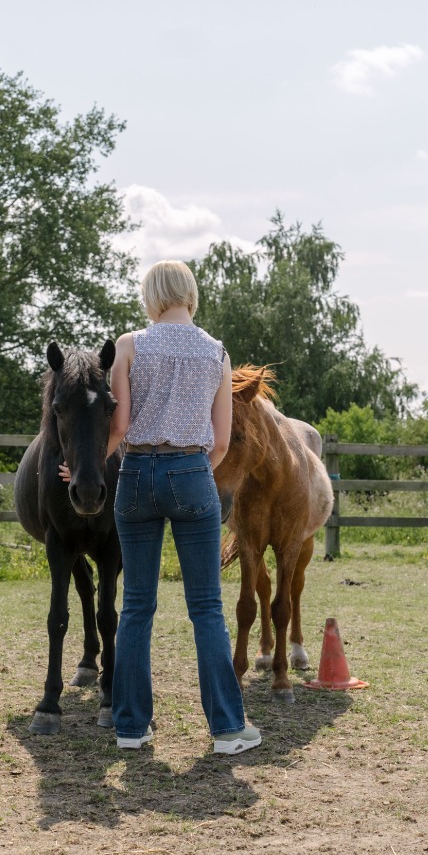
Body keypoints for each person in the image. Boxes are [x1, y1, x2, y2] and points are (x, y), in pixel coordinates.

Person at [97, 260, 260, 753]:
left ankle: (130, 727)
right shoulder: (216, 352)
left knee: (137, 607)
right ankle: (229, 730)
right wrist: (190, 472)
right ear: (189, 293)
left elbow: (119, 427)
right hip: (192, 471)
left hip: (137, 476)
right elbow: (223, 441)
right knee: (207, 607)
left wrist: (90, 464)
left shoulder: (129, 345)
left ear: (151, 295)